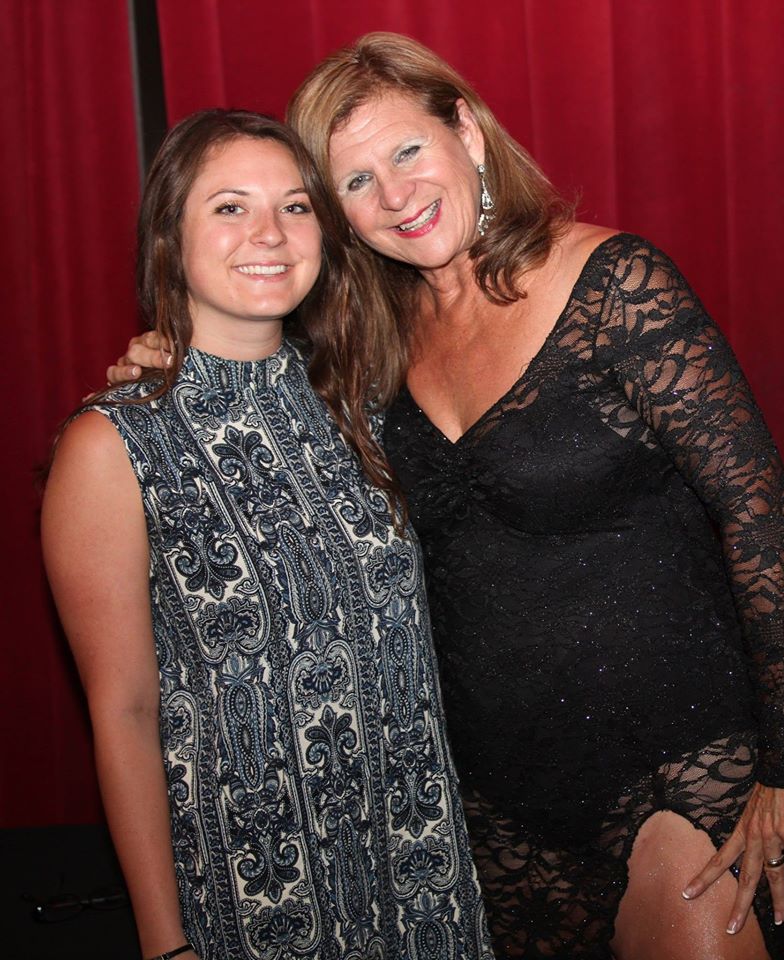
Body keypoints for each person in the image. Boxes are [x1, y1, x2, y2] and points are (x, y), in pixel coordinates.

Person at [109, 35, 784, 960]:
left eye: (406, 151)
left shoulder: (612, 284)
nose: (395, 195)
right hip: (484, 806)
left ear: (469, 135)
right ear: (342, 219)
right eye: (357, 183)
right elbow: (244, 384)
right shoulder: (365, 350)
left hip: (671, 767)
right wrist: (167, 359)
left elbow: (759, 514)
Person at [43, 109, 492, 960]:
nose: (270, 233)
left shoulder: (365, 404)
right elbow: (125, 713)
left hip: (422, 869)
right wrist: (163, 942)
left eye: (294, 206)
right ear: (171, 236)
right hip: (257, 896)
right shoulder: (112, 445)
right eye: (228, 207)